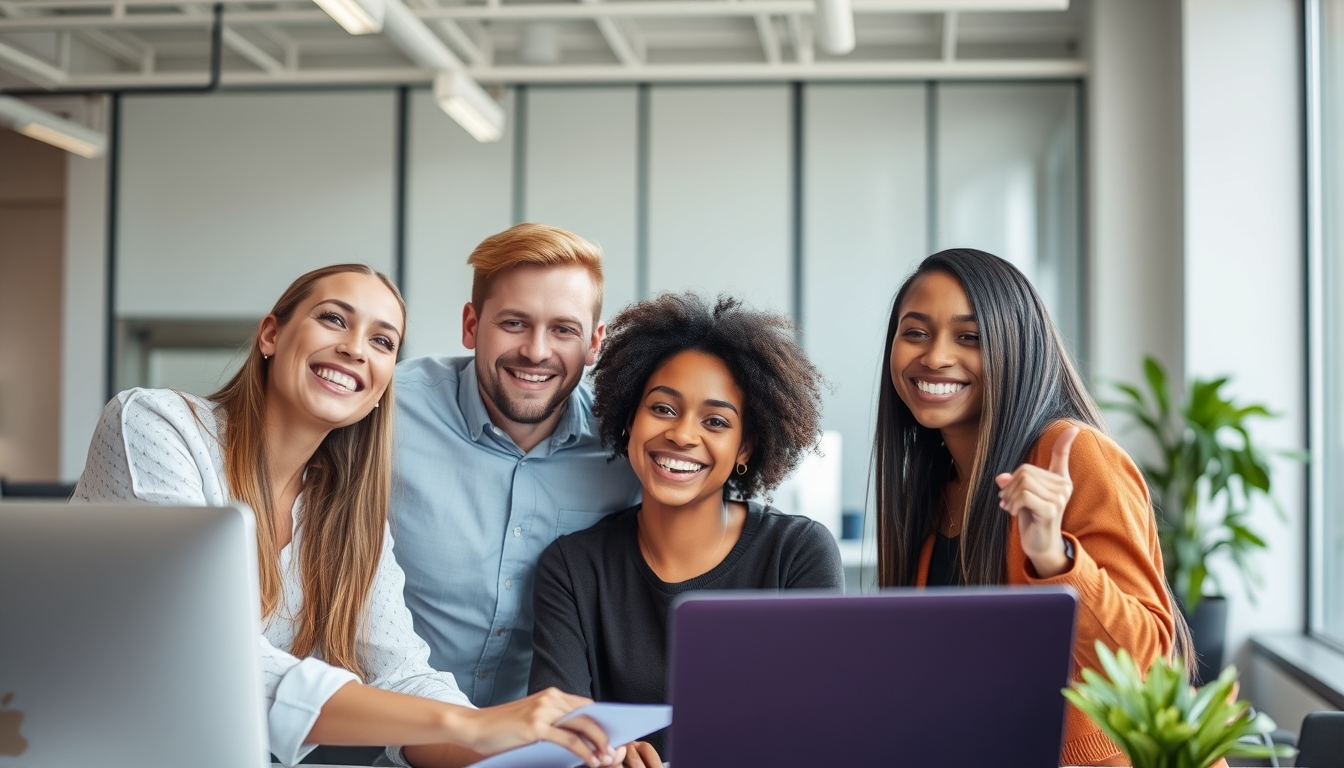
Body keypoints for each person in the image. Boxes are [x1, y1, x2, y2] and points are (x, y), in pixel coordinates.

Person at [72, 264, 622, 768]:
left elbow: (402, 672)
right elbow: (203, 655)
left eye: (382, 341)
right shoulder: (155, 425)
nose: (355, 349)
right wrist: (473, 724)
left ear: (384, 385)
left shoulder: (342, 513)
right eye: (334, 319)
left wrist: (546, 751)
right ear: (270, 334)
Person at [873, 248, 1190, 767]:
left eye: (969, 337)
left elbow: (1149, 666)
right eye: (915, 332)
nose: (934, 356)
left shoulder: (1072, 455)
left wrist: (1053, 556)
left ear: (1015, 348)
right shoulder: (935, 486)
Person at [529, 293, 846, 768]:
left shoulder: (796, 553)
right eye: (662, 408)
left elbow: (817, 733)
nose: (682, 434)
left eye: (716, 421)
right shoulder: (573, 568)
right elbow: (560, 742)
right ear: (629, 419)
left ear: (745, 448)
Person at [391, 224, 642, 708]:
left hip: (528, 749)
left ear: (594, 343)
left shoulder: (626, 450)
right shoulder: (385, 411)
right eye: (514, 323)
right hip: (359, 747)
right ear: (471, 325)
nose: (536, 351)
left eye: (564, 329)